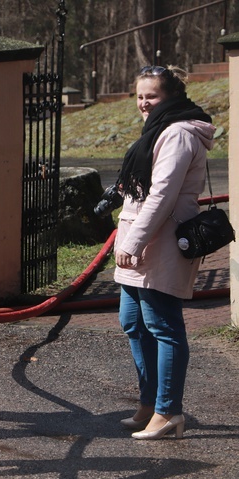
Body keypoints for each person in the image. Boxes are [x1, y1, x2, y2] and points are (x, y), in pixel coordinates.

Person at [114, 65, 215, 440]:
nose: (143, 103)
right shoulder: (157, 129)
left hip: (160, 243)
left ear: (171, 97)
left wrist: (132, 242)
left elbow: (163, 195)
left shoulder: (178, 133)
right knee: (133, 322)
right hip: (140, 241)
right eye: (139, 96)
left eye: (151, 96)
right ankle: (148, 402)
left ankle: (168, 411)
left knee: (163, 326)